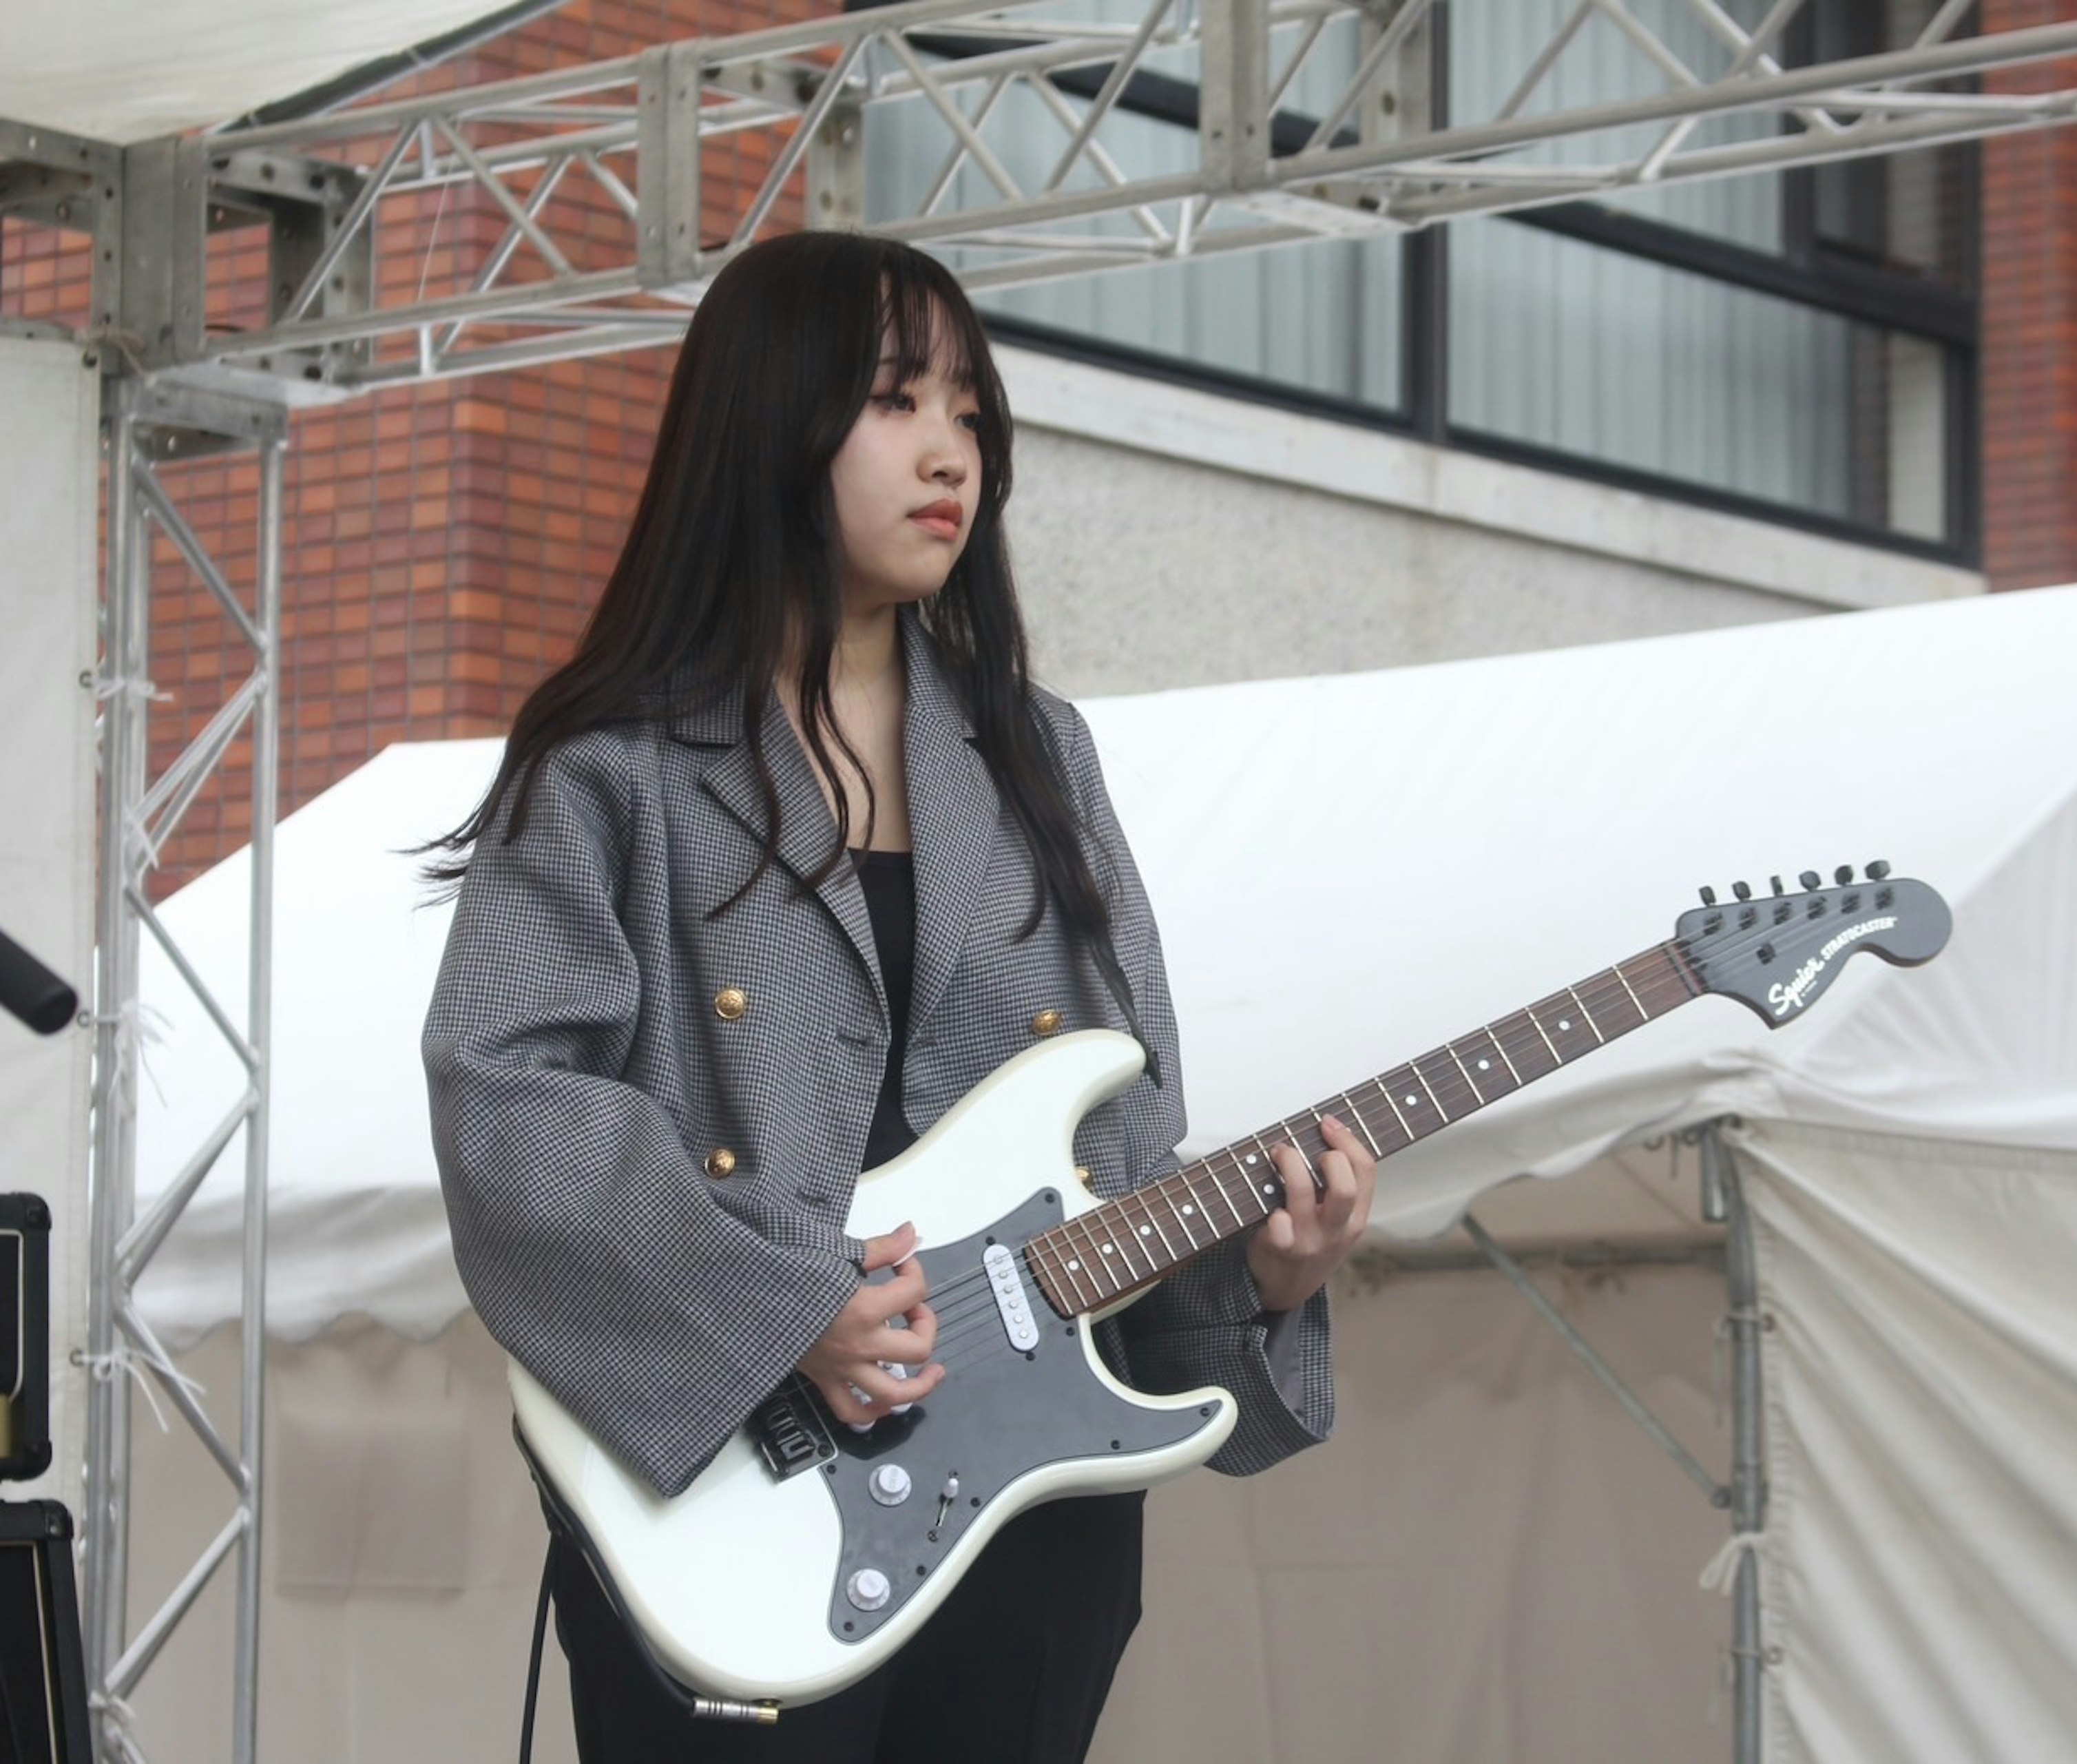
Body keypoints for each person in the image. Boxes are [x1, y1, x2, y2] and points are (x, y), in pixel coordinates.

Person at [422, 231, 1377, 1761]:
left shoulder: (1041, 760)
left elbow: (1126, 1168)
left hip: (1031, 1519)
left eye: (972, 414)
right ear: (768, 420)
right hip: (737, 1515)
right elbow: (508, 1113)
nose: (952, 452)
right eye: (894, 401)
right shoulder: (610, 769)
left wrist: (1264, 1278)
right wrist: (788, 1306)